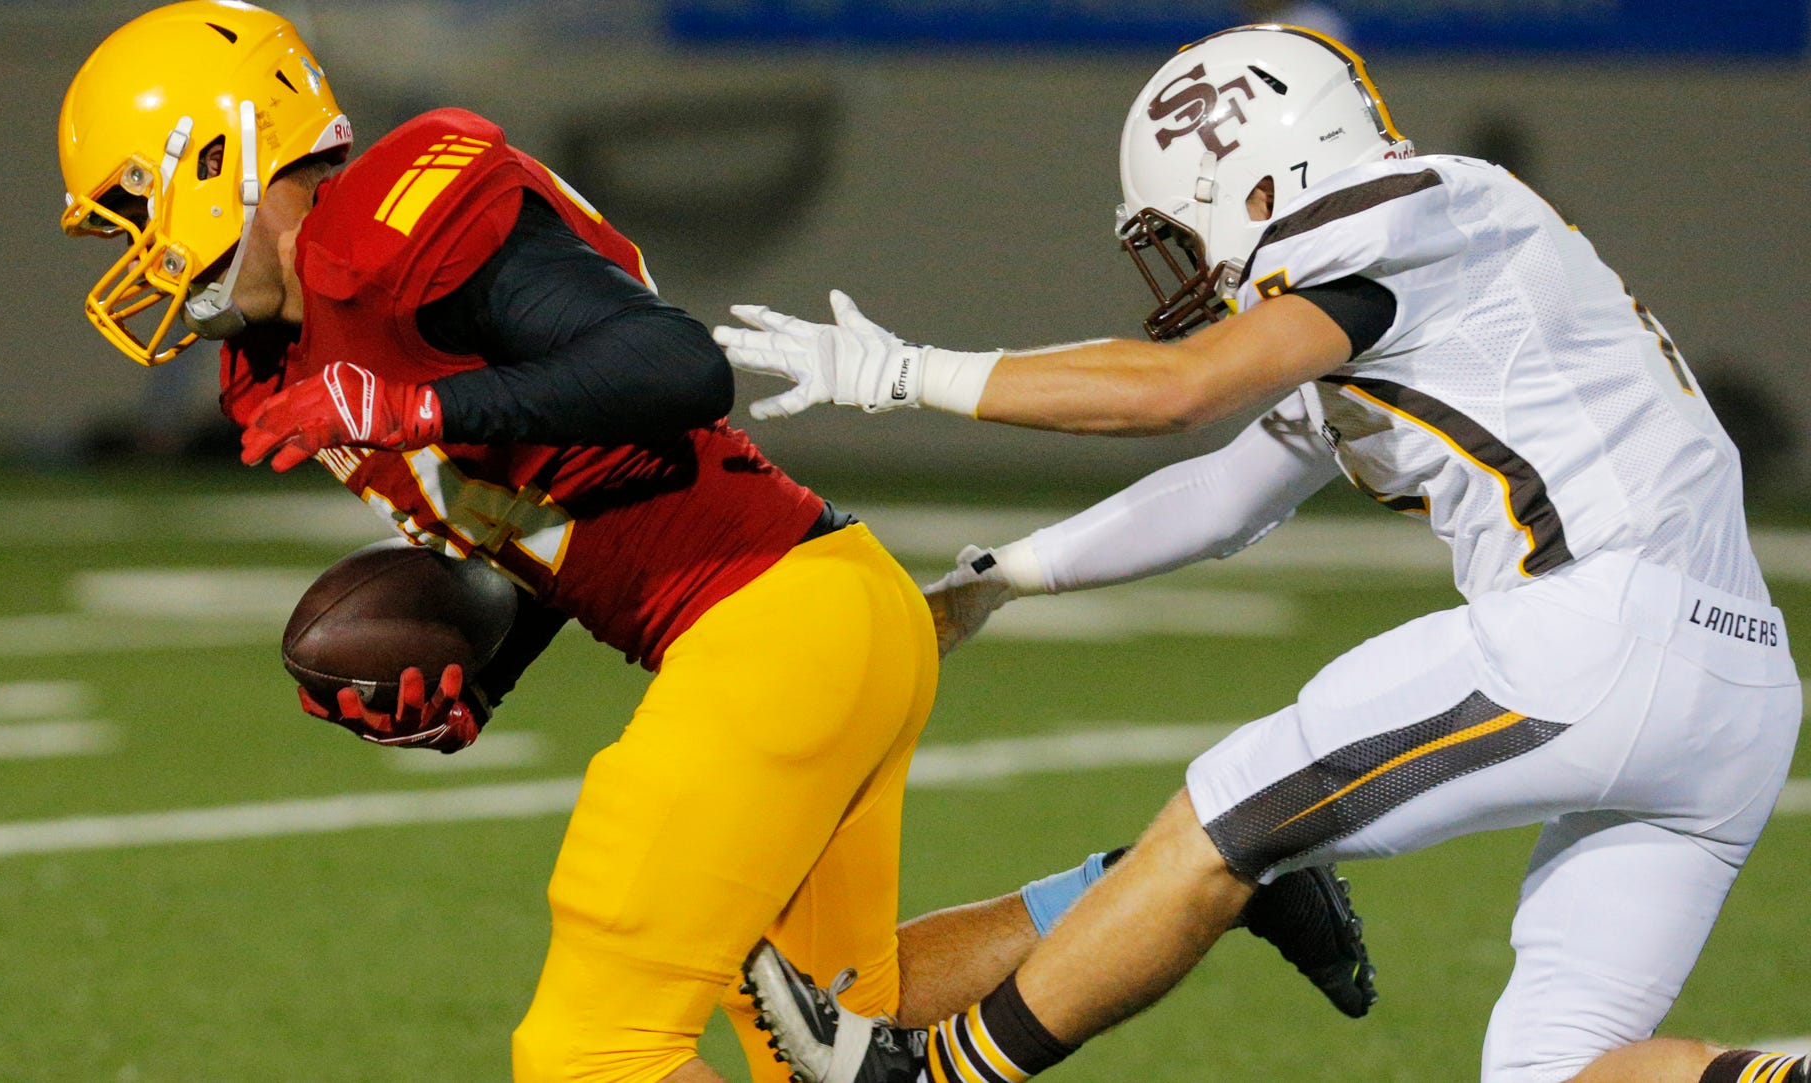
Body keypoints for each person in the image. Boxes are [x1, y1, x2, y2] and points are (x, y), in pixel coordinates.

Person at [55, 7, 1369, 1081]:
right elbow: (566, 509)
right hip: (821, 617)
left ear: (220, 152)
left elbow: (673, 369)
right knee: (853, 1013)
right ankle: (1187, 884)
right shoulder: (289, 357)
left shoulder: (392, 227)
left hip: (775, 625)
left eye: (130, 209)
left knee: (593, 1051)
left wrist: (421, 408)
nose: (132, 251)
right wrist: (478, 671)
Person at [718, 24, 1803, 1083]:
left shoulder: (1387, 222)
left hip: (1599, 636)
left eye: (1181, 230)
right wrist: (1006, 575)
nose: (1189, 266)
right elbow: (1225, 493)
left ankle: (937, 1071)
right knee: (1551, 1070)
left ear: (1253, 181)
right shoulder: (1440, 266)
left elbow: (1179, 392)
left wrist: (906, 373)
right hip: (1739, 693)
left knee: (1223, 815)